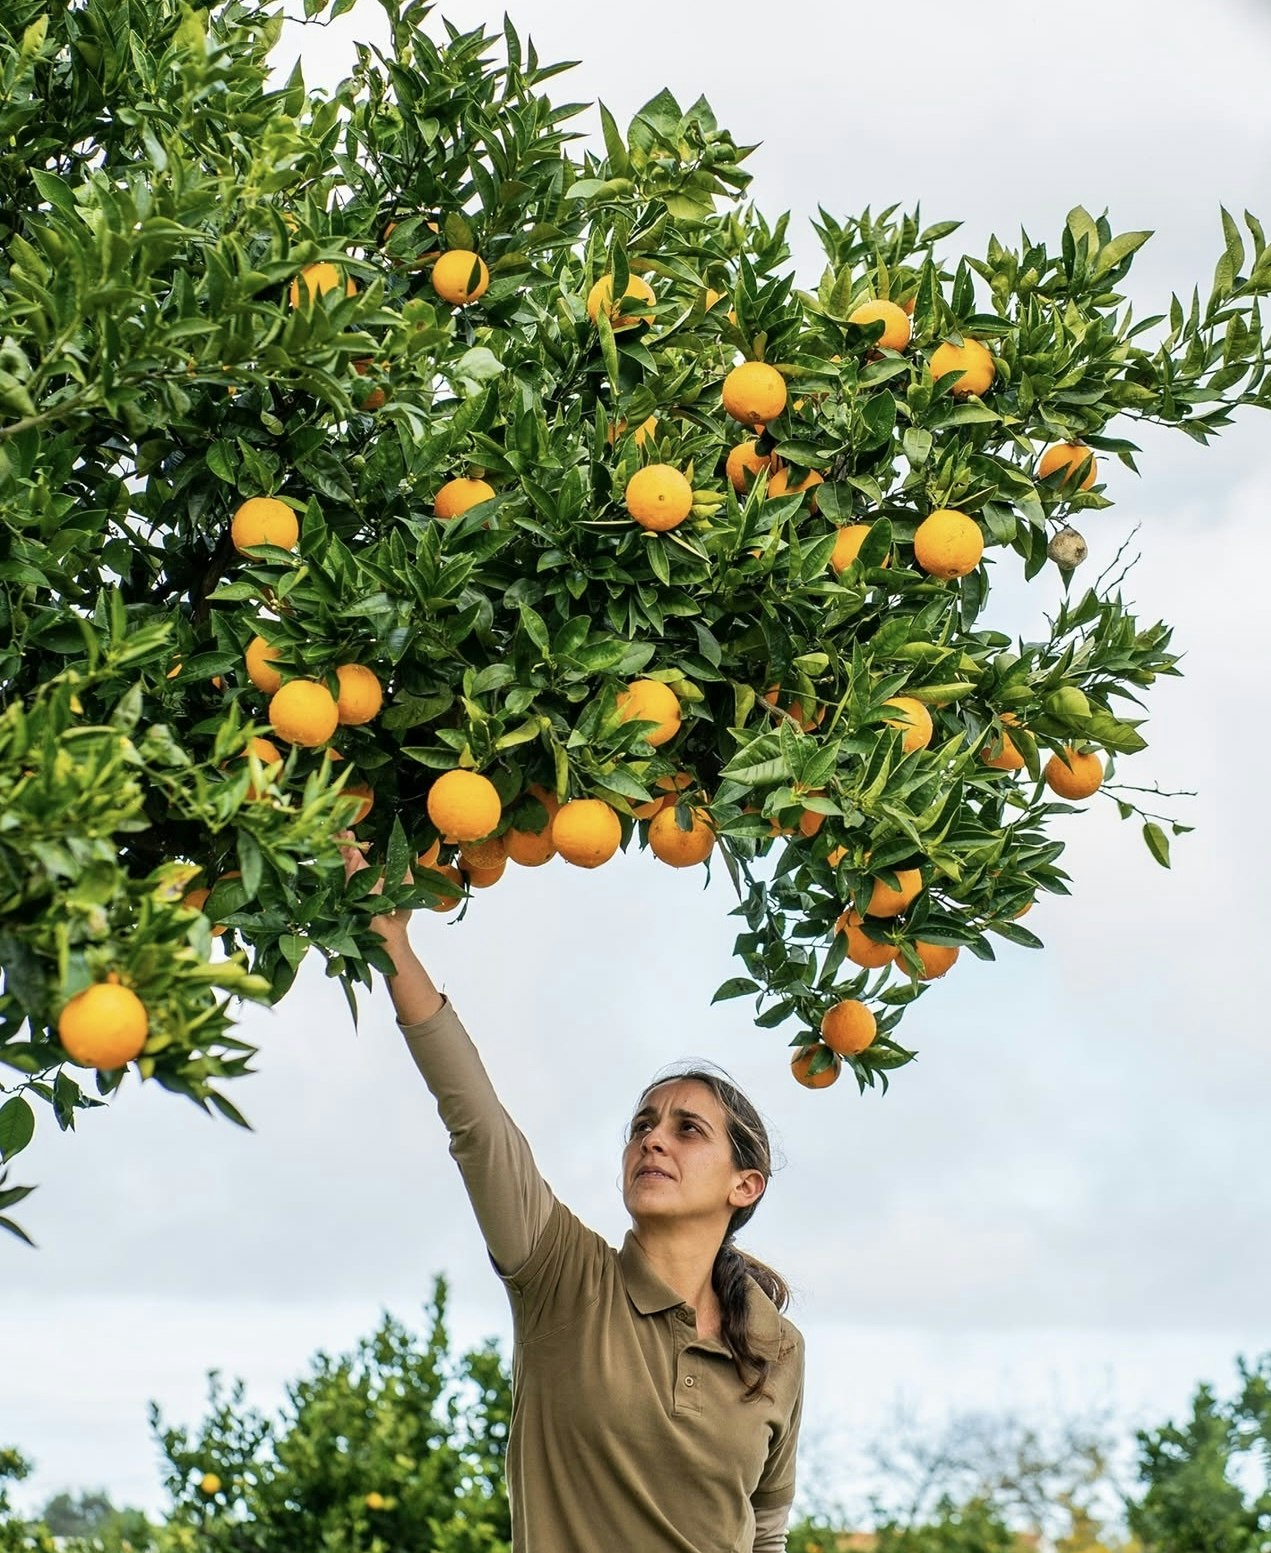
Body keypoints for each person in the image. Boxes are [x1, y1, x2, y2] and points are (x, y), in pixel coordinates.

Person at [342, 838, 805, 1552]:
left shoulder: (776, 1345)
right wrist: (390, 940)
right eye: (643, 1125)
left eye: (687, 1130)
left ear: (744, 1184)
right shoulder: (561, 1277)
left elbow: (767, 1523)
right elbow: (479, 1122)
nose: (653, 1140)